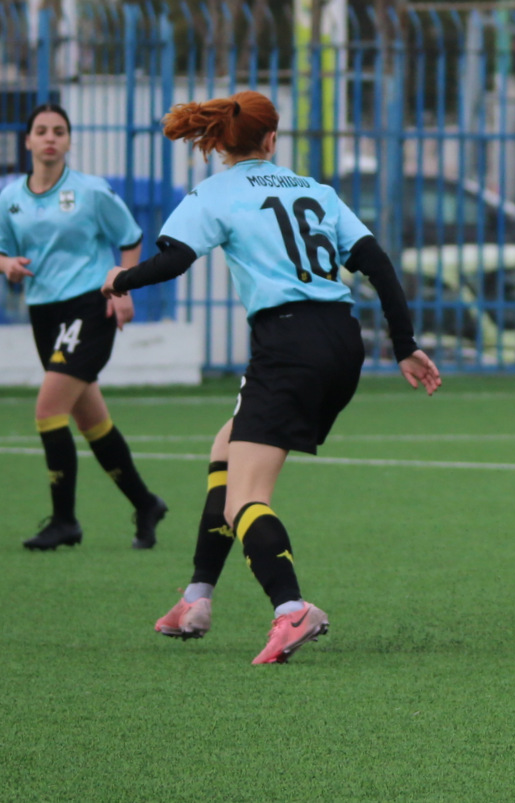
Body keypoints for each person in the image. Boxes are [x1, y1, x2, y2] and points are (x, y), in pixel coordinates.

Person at [101, 90, 441, 664]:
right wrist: (405, 345)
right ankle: (196, 598)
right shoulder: (315, 190)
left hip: (287, 345)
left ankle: (291, 609)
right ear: (271, 139)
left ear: (220, 143)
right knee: (225, 451)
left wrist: (119, 279)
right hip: (342, 341)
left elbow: (175, 260)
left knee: (245, 499)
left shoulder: (214, 192)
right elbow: (378, 264)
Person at [0, 103, 168, 551]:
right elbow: (3, 250)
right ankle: (146, 503)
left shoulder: (91, 191)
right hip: (43, 312)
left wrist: (124, 288)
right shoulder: (10, 198)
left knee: (47, 411)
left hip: (90, 307)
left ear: (69, 141)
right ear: (28, 141)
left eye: (59, 131)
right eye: (41, 130)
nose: (50, 138)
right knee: (90, 420)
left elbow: (130, 237)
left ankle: (64, 521)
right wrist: (7, 265)